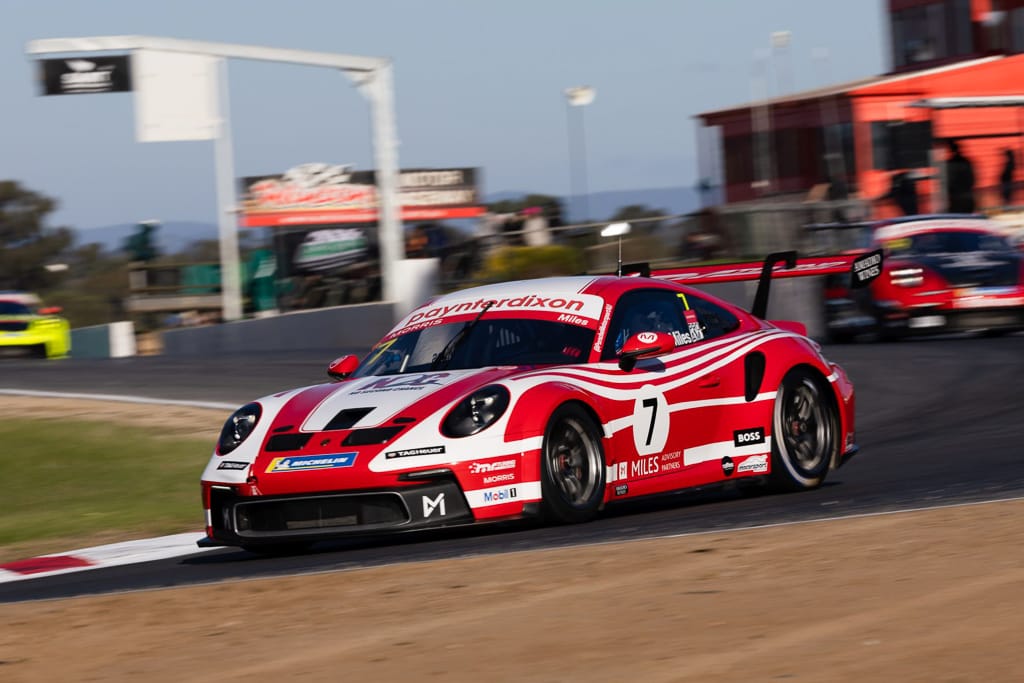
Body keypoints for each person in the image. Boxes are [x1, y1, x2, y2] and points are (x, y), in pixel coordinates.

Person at [945, 139, 976, 214]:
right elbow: (972, 179)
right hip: (966, 196)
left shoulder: (950, 164)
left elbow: (949, 181)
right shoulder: (966, 162)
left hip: (958, 197)